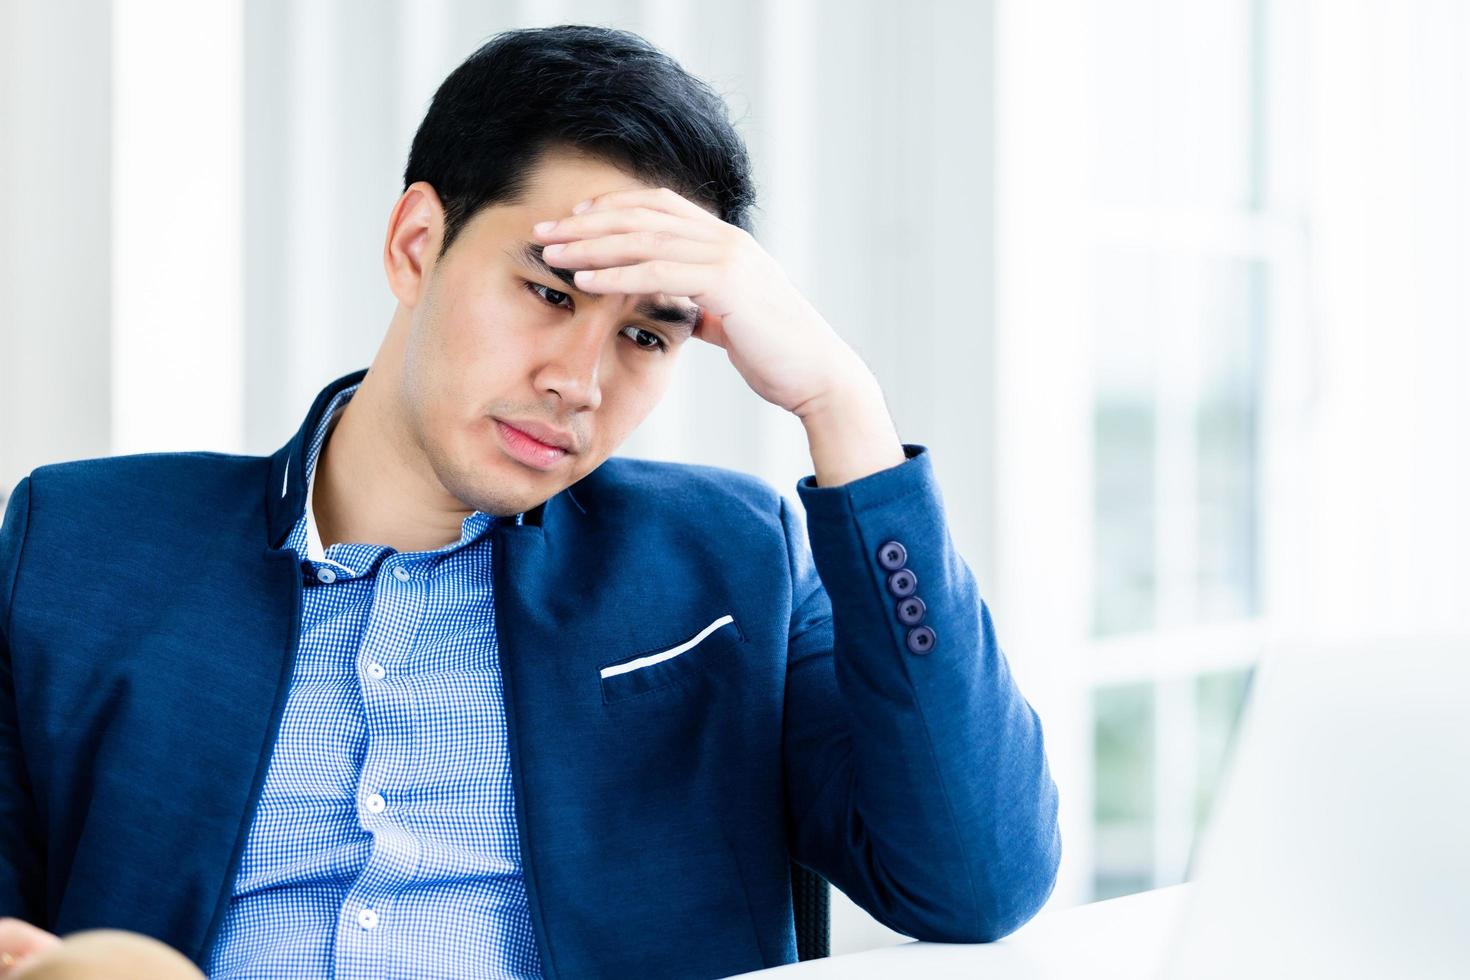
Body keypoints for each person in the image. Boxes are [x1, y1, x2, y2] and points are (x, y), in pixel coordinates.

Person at [0, 22, 1061, 980]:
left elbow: (976, 877)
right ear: (417, 244)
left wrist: (844, 406)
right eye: (550, 292)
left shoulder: (729, 560)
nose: (580, 381)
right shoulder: (81, 544)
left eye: (646, 334)